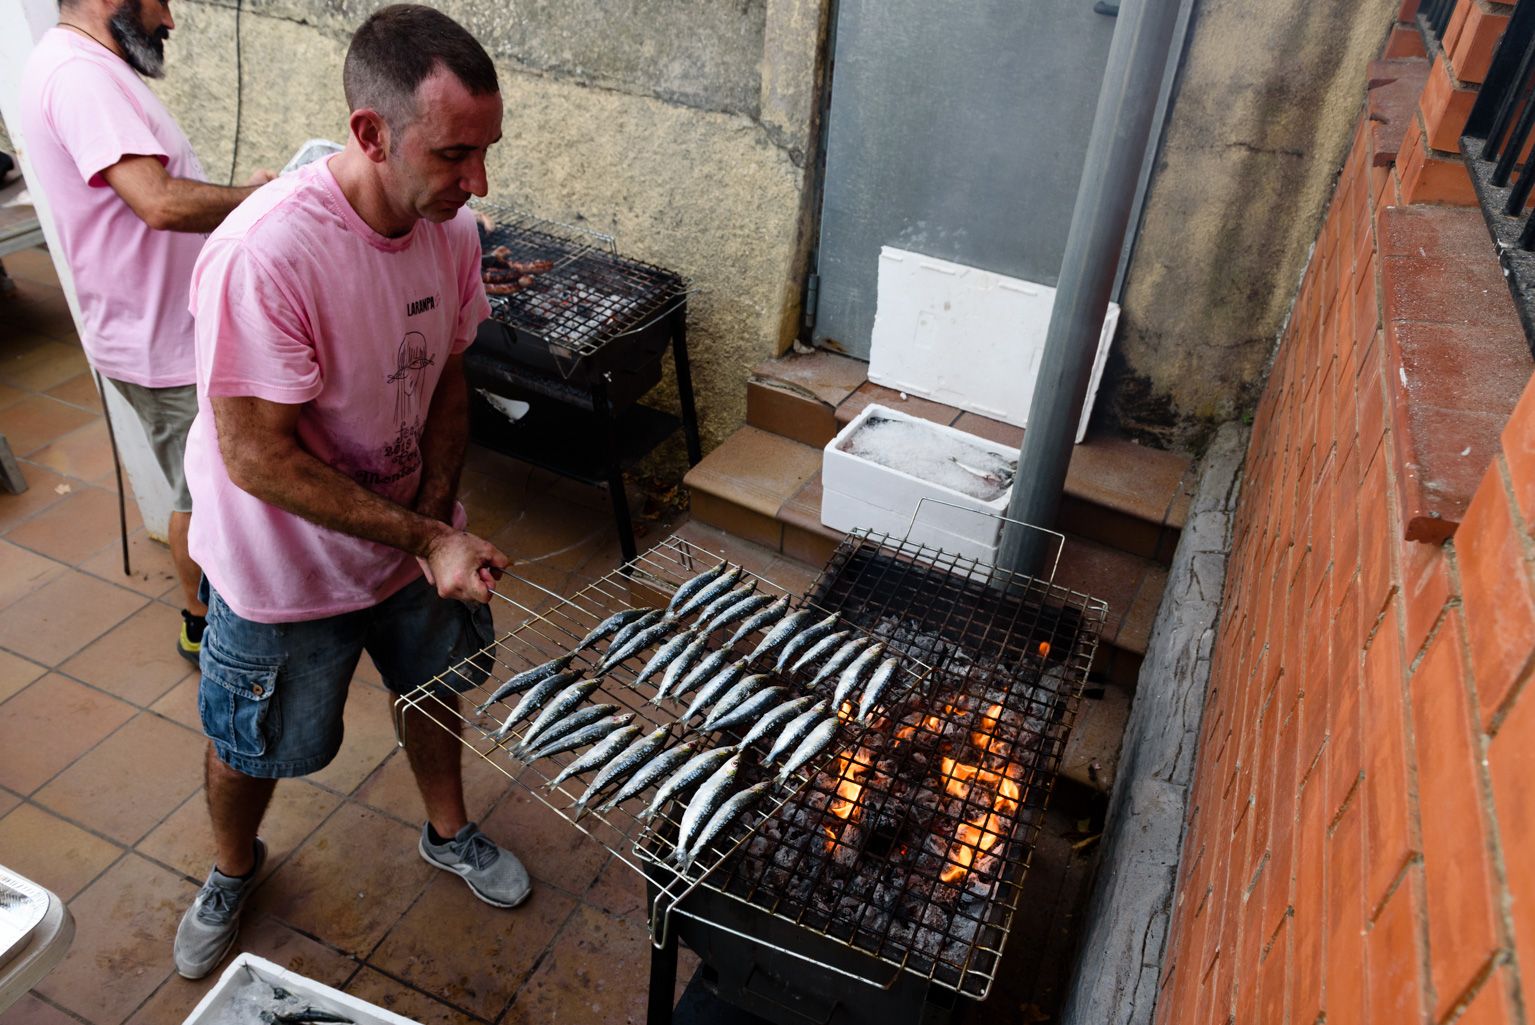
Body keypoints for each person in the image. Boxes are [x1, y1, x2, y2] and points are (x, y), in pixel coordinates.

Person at [171, 3, 528, 981]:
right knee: (251, 736)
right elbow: (256, 458)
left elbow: (449, 370)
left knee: (437, 684)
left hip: (415, 536)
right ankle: (232, 866)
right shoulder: (267, 250)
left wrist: (440, 514)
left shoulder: (446, 224)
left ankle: (447, 829)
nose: (478, 181)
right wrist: (424, 536)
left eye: (487, 151)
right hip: (280, 566)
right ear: (371, 133)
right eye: (457, 153)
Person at [18, 0, 274, 664]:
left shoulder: (88, 65)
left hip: (161, 329)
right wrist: (269, 201)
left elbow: (158, 191)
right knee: (206, 496)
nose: (170, 19)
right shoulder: (78, 75)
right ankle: (204, 628)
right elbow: (158, 201)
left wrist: (238, 197)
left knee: (208, 486)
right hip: (158, 342)